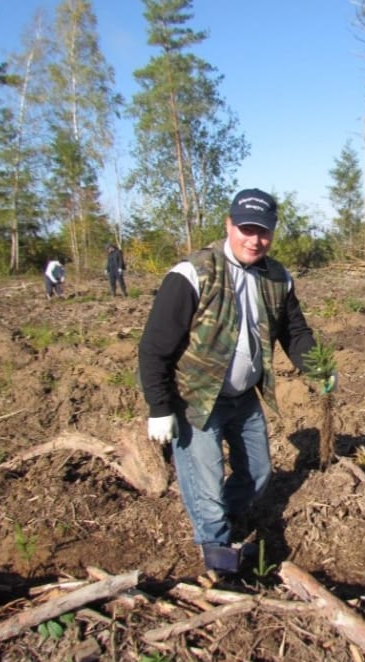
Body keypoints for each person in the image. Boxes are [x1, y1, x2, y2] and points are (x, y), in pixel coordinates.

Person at [138, 188, 336, 575]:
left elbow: (295, 333)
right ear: (228, 225)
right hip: (196, 400)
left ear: (273, 233)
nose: (254, 239)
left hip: (244, 397)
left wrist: (318, 367)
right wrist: (159, 408)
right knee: (207, 483)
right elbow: (153, 347)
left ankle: (219, 521)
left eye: (263, 231)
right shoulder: (194, 273)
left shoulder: (278, 277)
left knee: (258, 474)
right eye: (246, 229)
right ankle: (217, 556)